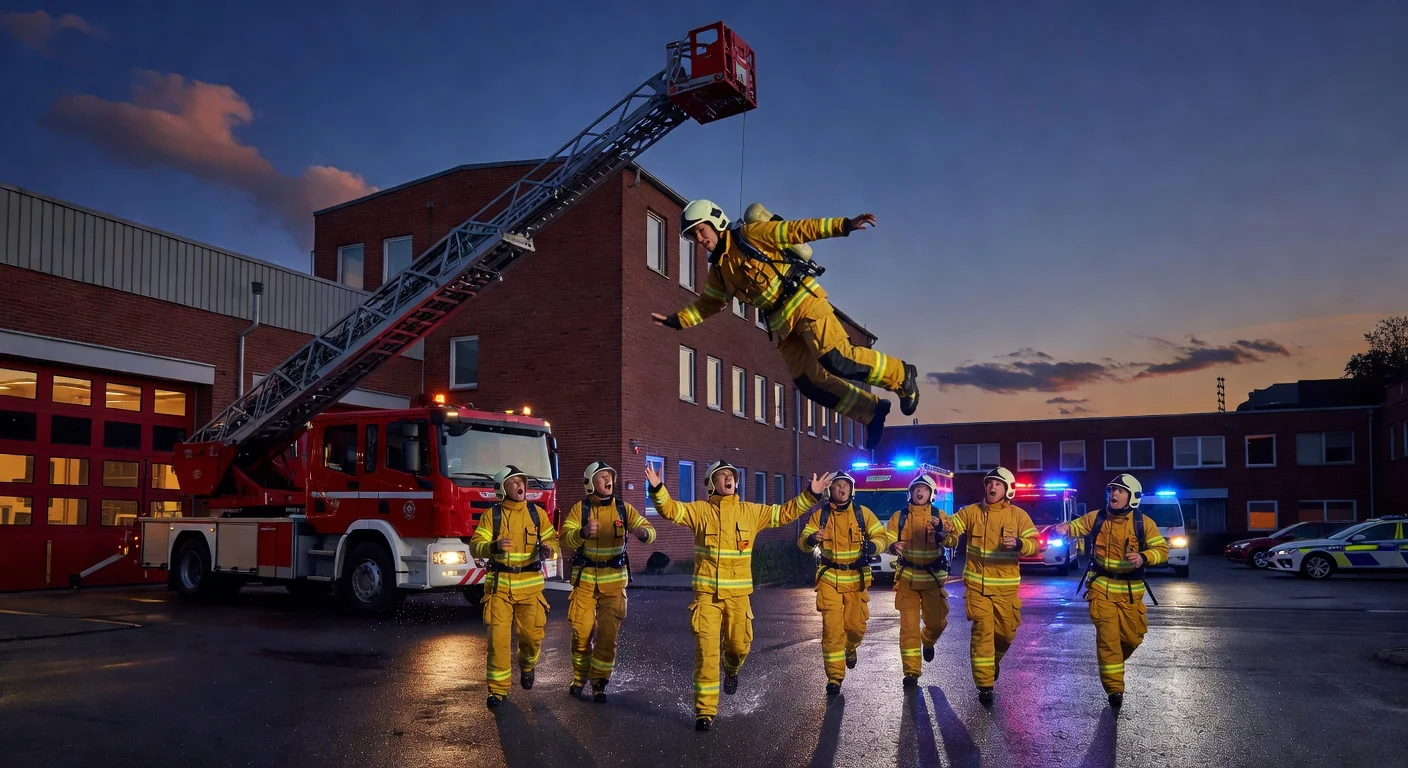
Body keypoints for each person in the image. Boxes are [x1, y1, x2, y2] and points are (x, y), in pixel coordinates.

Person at [650, 200, 922, 451]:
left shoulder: (750, 235)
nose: (699, 239)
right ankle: (872, 412)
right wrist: (677, 320)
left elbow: (797, 231)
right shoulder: (719, 271)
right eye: (693, 236)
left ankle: (902, 376)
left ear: (715, 220)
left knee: (836, 359)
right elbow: (708, 304)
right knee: (809, 384)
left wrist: (845, 225)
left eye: (700, 230)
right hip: (782, 325)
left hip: (805, 303)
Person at [644, 459, 833, 732]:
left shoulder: (749, 512)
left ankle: (731, 670)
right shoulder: (700, 511)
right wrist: (657, 488)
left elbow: (783, 514)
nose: (728, 479)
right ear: (712, 483)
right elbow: (672, 510)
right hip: (706, 597)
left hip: (738, 597)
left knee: (738, 647)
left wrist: (811, 495)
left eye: (731, 475)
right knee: (706, 654)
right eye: (722, 476)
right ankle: (705, 712)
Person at [1052, 474, 1168, 709]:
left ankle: (1112, 663)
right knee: (1109, 642)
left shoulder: (1143, 523)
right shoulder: (1097, 518)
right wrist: (1065, 528)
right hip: (1101, 591)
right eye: (1112, 490)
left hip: (1130, 594)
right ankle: (1115, 690)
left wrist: (1144, 556)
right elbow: (1077, 526)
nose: (1113, 494)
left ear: (1132, 497)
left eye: (1120, 491)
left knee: (1133, 638)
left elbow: (1162, 550)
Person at [560, 461, 656, 703]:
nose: (607, 479)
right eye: (601, 476)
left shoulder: (623, 509)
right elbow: (566, 539)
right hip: (584, 584)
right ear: (591, 483)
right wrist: (581, 532)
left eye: (609, 476)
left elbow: (647, 529)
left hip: (613, 585)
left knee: (606, 636)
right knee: (581, 634)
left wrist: (643, 534)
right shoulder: (580, 510)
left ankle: (600, 682)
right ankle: (580, 678)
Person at [469, 464, 561, 709]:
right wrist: (493, 546)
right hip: (499, 589)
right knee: (497, 642)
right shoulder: (493, 515)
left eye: (522, 482)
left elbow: (552, 538)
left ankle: (527, 665)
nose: (520, 486)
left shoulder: (536, 514)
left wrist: (549, 548)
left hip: (530, 590)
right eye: (514, 482)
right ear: (503, 489)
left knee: (531, 638)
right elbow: (476, 544)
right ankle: (497, 691)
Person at [946, 466, 1038, 705]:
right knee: (982, 634)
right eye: (989, 483)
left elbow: (1035, 543)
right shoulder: (971, 512)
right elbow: (952, 525)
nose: (992, 487)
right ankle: (985, 685)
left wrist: (1020, 543)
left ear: (1007, 490)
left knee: (1005, 634)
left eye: (998, 483)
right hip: (977, 590)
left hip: (1006, 591)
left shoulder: (1018, 516)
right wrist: (942, 527)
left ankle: (994, 660)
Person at [797, 470, 889, 696]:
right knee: (832, 631)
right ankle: (834, 678)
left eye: (845, 485)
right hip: (829, 578)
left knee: (855, 628)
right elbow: (803, 543)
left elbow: (882, 537)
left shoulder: (862, 513)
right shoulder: (820, 515)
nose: (842, 489)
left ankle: (851, 647)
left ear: (851, 489)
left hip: (856, 579)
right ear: (831, 490)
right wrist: (810, 539)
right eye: (838, 485)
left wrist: (873, 546)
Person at [885, 473, 957, 687]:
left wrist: (942, 533)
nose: (919, 492)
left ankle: (928, 640)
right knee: (908, 628)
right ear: (910, 492)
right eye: (916, 489)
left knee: (936, 623)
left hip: (932, 579)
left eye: (924, 489)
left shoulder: (940, 516)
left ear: (931, 493)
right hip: (907, 579)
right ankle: (911, 672)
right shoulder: (899, 517)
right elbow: (888, 538)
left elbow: (954, 540)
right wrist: (891, 546)